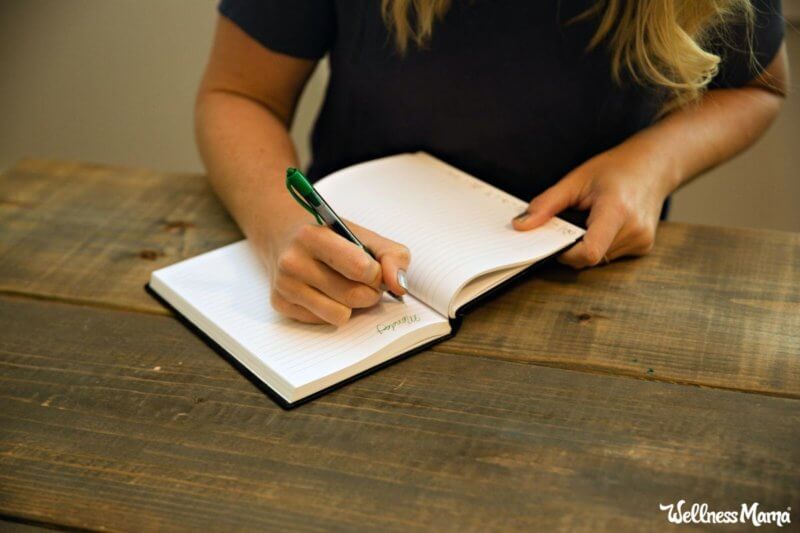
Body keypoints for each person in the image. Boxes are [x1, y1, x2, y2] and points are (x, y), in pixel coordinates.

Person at [195, 0, 789, 326]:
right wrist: (281, 226)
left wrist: (652, 165)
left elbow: (759, 87)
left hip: (595, 298)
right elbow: (239, 95)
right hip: (353, 288)